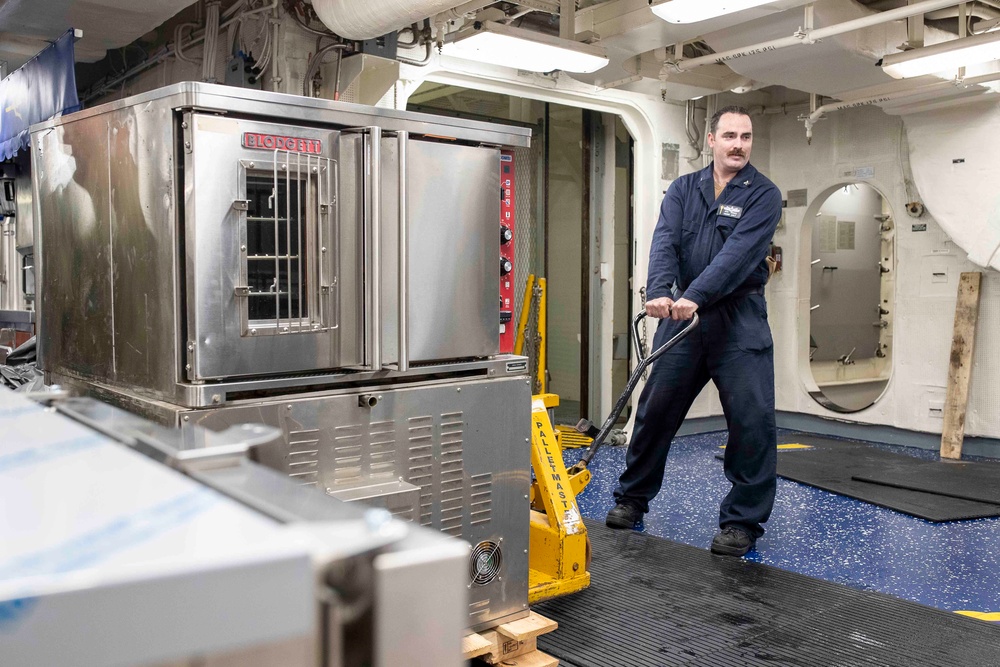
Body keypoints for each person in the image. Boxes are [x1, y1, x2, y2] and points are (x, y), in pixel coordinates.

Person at [605, 105, 782, 557]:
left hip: (737, 318)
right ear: (711, 140)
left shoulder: (763, 194)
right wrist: (661, 291)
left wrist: (694, 296)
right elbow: (664, 240)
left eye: (745, 136)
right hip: (682, 316)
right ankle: (632, 499)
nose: (738, 144)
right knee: (655, 409)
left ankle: (742, 523)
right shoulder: (684, 189)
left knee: (752, 420)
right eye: (730, 136)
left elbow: (738, 256)